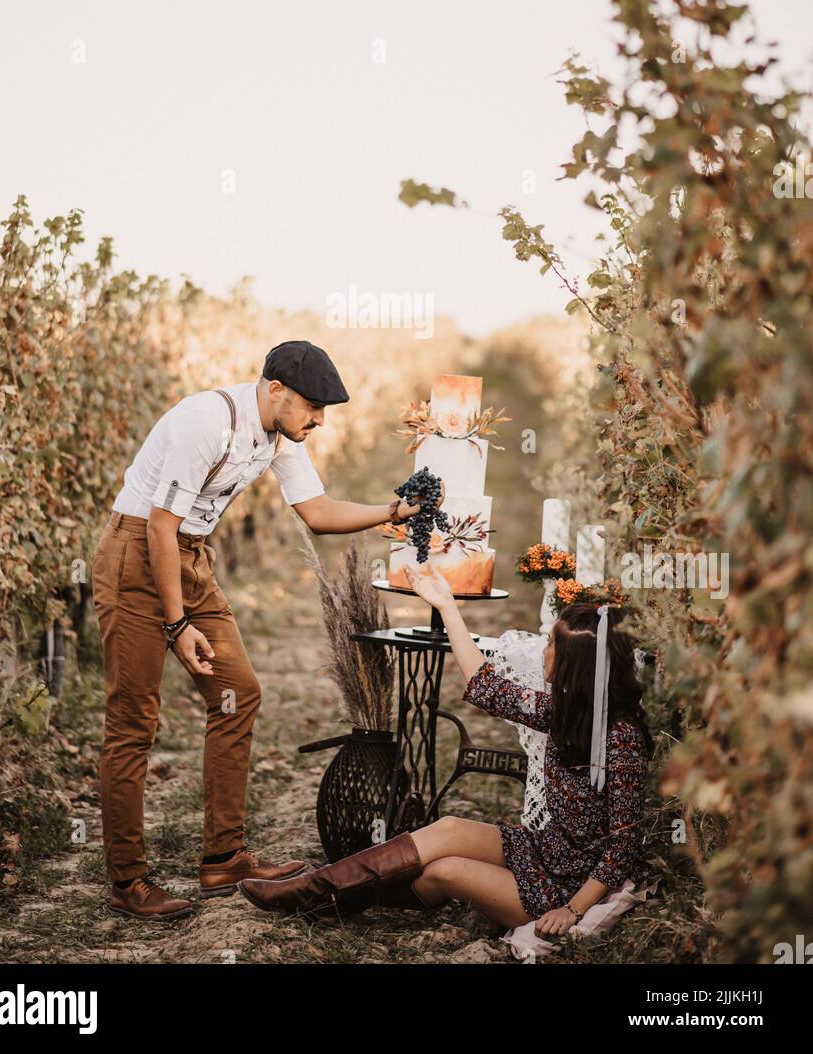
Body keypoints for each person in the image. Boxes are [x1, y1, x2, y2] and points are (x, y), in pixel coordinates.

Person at [93, 340, 438, 920]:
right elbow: (158, 525)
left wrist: (394, 512)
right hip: (137, 553)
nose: (320, 421)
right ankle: (127, 880)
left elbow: (320, 512)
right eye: (313, 407)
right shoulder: (207, 421)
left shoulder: (280, 433)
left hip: (189, 557)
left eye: (325, 411)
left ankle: (223, 856)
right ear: (275, 389)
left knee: (238, 695)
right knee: (134, 717)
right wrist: (177, 624)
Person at [239, 562, 653, 937]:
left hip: (572, 885)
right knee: (450, 827)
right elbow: (485, 685)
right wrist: (447, 605)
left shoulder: (621, 738)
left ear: (574, 667)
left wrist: (572, 909)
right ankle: (315, 889)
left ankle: (326, 900)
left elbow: (625, 844)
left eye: (550, 646)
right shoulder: (566, 710)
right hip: (547, 851)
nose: (542, 651)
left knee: (446, 871)